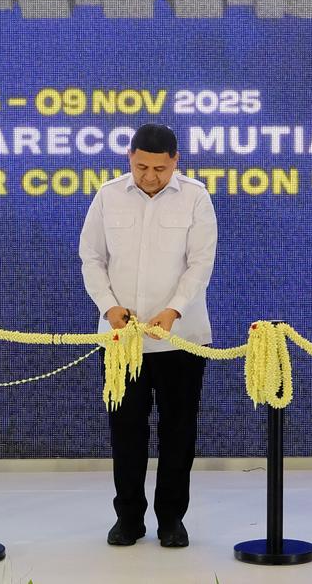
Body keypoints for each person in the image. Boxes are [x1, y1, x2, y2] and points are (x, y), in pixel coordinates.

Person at [79, 123, 217, 548]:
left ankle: (171, 520)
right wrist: (108, 307)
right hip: (121, 339)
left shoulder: (196, 197)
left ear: (175, 161)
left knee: (179, 432)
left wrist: (174, 309)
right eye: (141, 167)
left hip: (182, 338)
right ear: (130, 158)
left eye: (159, 168)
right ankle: (128, 519)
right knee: (126, 432)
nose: (150, 177)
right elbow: (91, 258)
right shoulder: (108, 195)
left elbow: (200, 263)